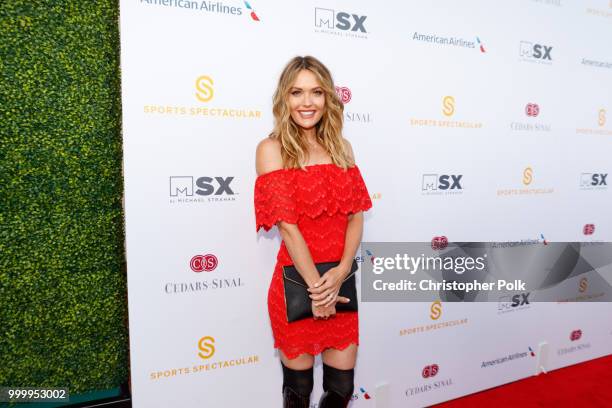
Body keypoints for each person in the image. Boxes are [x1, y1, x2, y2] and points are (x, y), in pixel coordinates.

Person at [254, 56, 373, 407]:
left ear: (328, 99)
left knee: (340, 390)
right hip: (296, 283)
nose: (307, 102)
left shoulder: (342, 148)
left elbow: (356, 217)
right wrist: (319, 292)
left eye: (316, 92)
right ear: (284, 99)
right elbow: (288, 229)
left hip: (341, 279)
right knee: (298, 395)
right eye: (297, 92)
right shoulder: (271, 150)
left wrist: (340, 272)